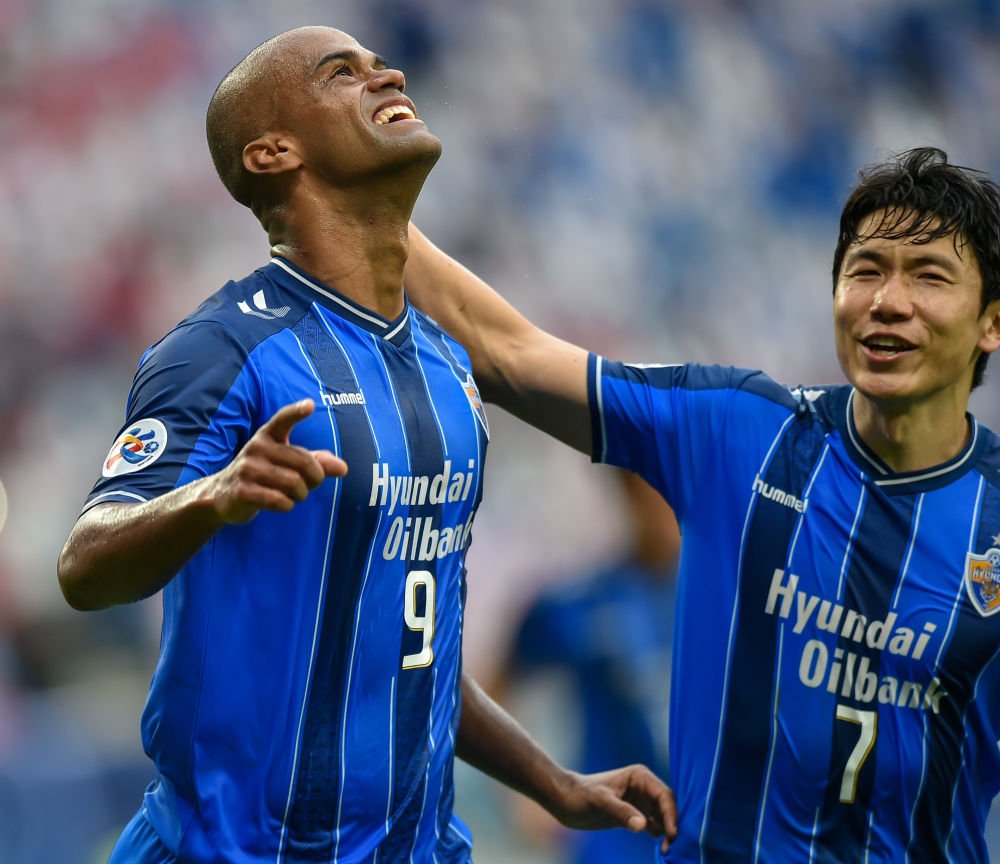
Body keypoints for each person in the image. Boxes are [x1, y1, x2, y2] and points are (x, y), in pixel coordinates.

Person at [56, 26, 676, 864]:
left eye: (378, 63)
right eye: (340, 73)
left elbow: (410, 646)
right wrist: (211, 495)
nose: (388, 74)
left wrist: (553, 783)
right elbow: (84, 566)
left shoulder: (447, 367)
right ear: (274, 152)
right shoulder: (223, 349)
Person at [403, 146, 1000, 862]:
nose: (888, 300)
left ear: (991, 322)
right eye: (866, 270)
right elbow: (504, 352)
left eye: (929, 276)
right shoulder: (738, 433)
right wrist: (354, 195)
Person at [503, 468, 680, 864]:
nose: (665, 506)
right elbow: (492, 684)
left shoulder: (729, 606)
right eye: (652, 491)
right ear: (627, 490)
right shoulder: (582, 602)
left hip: (695, 845)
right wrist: (529, 792)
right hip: (611, 847)